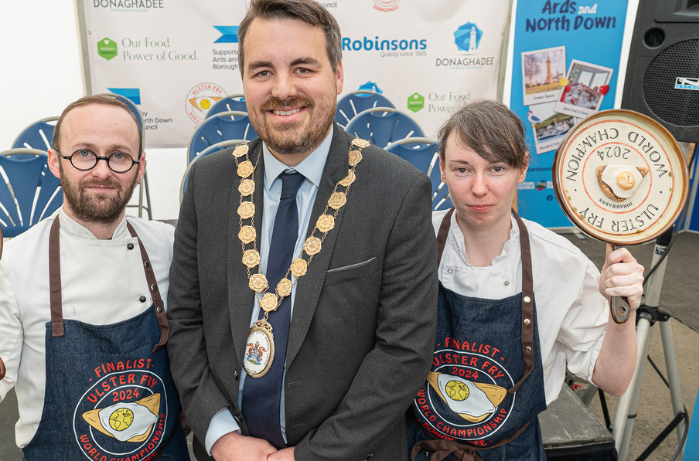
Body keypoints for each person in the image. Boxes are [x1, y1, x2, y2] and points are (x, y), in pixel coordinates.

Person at [166, 1, 438, 460]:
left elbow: (404, 353)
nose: (283, 89)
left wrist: (306, 458)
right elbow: (186, 323)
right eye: (262, 72)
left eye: (303, 68)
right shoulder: (207, 184)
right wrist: (220, 436)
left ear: (338, 75)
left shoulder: (396, 191)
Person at [0, 95, 189, 460]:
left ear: (139, 167)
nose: (102, 171)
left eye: (119, 155)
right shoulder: (11, 264)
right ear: (55, 161)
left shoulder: (169, 246)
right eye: (84, 153)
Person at [406, 100, 643, 460]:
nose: (480, 188)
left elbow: (614, 379)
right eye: (462, 169)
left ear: (523, 169)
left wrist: (623, 313)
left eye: (497, 168)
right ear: (441, 168)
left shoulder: (562, 263)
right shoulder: (408, 242)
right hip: (415, 445)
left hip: (511, 451)